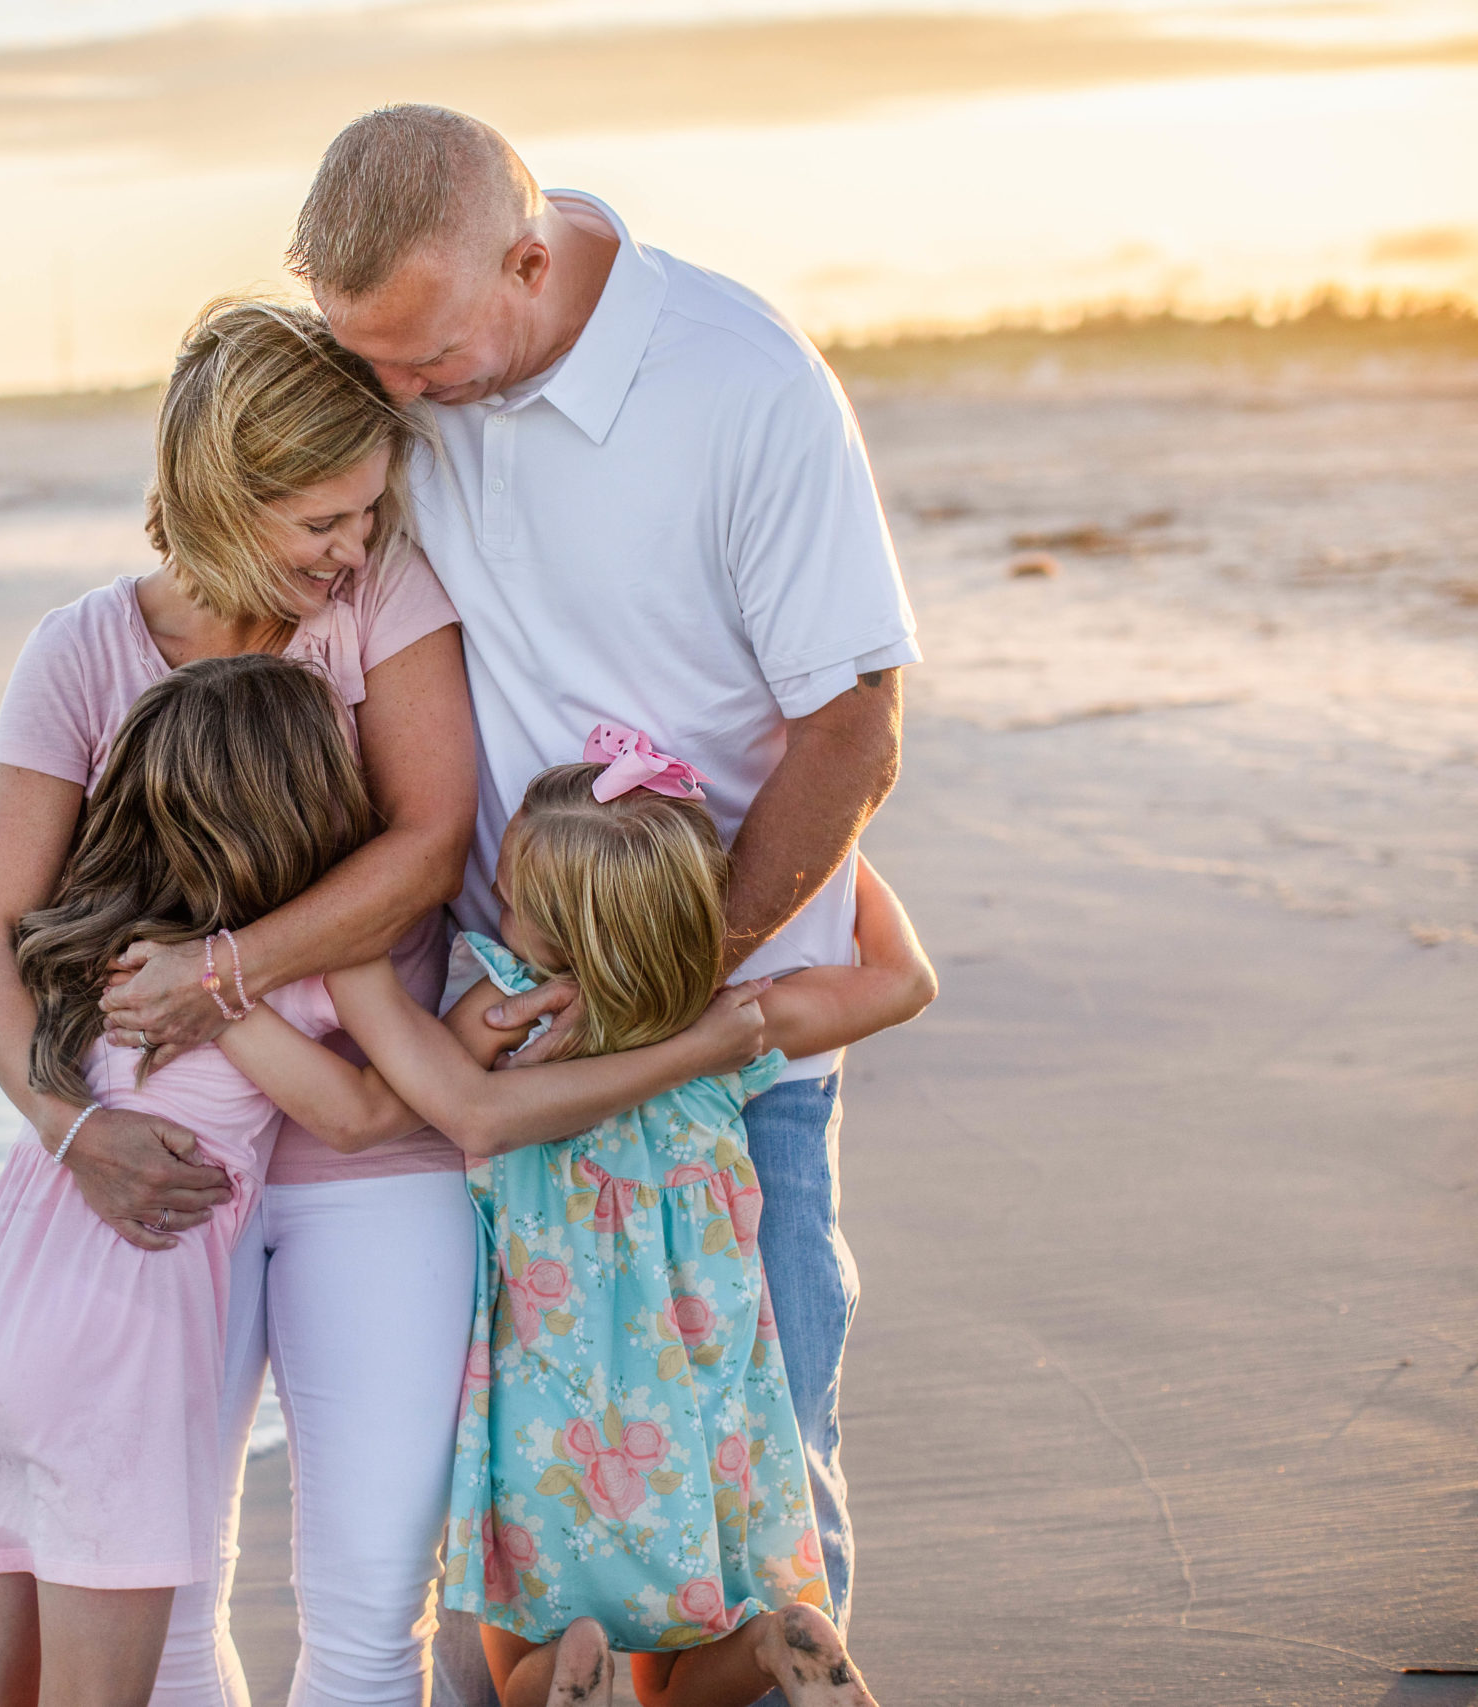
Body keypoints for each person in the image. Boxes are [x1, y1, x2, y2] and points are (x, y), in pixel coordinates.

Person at [0, 297, 731, 1706]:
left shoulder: (382, 601)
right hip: (169, 1184)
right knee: (169, 1609)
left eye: (369, 511)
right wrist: (74, 1131)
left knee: (371, 1611)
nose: (354, 549)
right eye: (323, 521)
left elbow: (426, 845)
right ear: (216, 496)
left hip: (380, 1158)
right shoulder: (79, 652)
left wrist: (224, 971)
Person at [284, 105, 922, 1635]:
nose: (393, 395)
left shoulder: (742, 384)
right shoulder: (402, 368)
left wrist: (665, 982)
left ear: (527, 258)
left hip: (730, 1049)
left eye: (422, 362)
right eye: (364, 357)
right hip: (492, 1027)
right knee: (503, 1487)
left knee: (752, 1472)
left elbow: (852, 729)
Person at [0, 662, 773, 1707]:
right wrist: (235, 995)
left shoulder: (108, 943)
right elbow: (372, 1111)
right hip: (118, 1335)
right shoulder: (304, 965)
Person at [204, 733, 936, 1707]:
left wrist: (267, 978)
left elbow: (382, 1095)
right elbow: (903, 982)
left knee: (524, 1653)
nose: (494, 912)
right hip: (709, 1371)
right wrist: (839, 862)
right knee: (684, 1663)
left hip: (551, 1377)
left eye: (508, 900)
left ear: (553, 930)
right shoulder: (733, 1020)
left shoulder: (504, 1016)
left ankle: (567, 1668)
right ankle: (770, 1643)